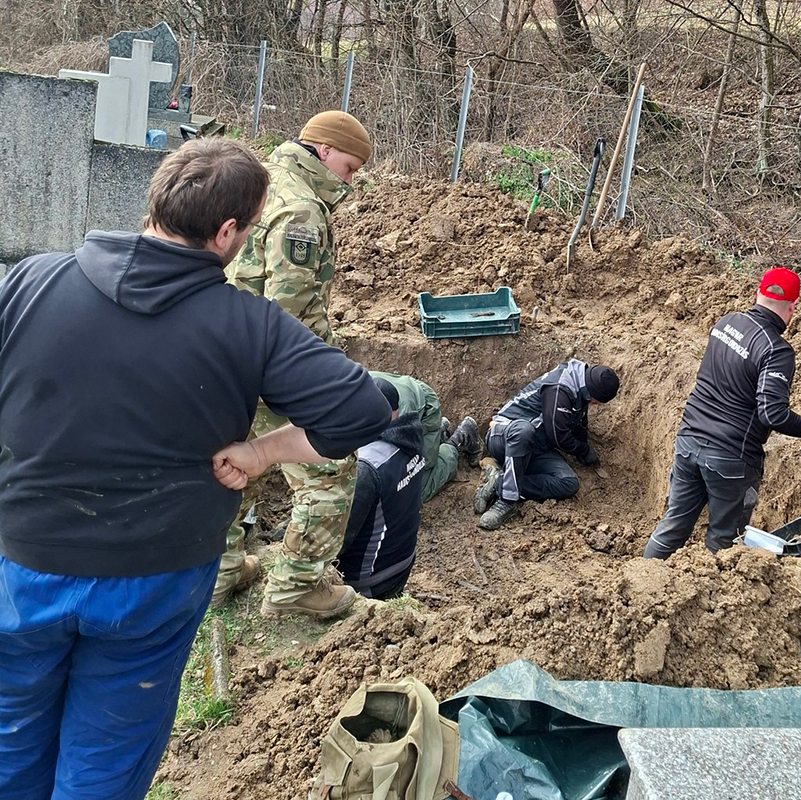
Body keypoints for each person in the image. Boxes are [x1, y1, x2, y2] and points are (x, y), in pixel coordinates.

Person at [0, 138, 391, 800]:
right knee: (107, 754)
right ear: (228, 232)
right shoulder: (251, 327)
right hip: (151, 586)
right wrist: (263, 453)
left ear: (153, 201)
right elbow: (364, 409)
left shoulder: (28, 282)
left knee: (9, 737)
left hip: (22, 566)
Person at [216, 109, 375, 617]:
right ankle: (295, 589)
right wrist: (323, 384)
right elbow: (285, 318)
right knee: (330, 471)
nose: (349, 181)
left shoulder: (263, 183)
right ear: (324, 150)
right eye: (349, 168)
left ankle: (218, 574)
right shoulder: (302, 212)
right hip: (273, 369)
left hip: (229, 359)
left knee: (242, 463)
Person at [643, 267, 801, 559]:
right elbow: (773, 415)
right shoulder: (776, 350)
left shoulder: (726, 323)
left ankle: (643, 580)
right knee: (724, 541)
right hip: (730, 458)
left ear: (759, 294)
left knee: (673, 525)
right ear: (792, 307)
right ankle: (718, 599)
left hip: (688, 441)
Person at [474, 359, 620, 530]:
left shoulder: (581, 384)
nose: (597, 405)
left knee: (568, 483)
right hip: (503, 437)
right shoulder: (560, 388)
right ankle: (507, 501)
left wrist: (584, 450)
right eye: (598, 401)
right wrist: (583, 450)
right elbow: (559, 437)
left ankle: (498, 482)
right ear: (591, 392)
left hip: (536, 446)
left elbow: (579, 423)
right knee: (523, 431)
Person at [336, 379, 428, 599]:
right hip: (402, 565)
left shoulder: (368, 466)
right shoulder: (411, 440)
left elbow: (339, 539)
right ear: (395, 411)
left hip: (368, 581)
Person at [370, 371, 482, 502]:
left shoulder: (397, 416)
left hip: (421, 408)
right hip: (405, 399)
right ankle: (438, 433)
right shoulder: (348, 396)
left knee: (413, 483)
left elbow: (397, 467)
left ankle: (459, 438)